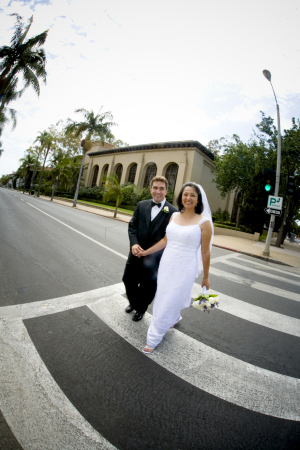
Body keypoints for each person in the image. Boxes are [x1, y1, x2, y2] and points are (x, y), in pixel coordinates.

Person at [137, 182, 213, 353]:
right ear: (181, 196)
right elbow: (165, 241)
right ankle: (173, 317)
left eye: (193, 195)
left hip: (185, 267)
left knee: (170, 299)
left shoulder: (204, 222)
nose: (188, 198)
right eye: (186, 194)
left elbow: (206, 252)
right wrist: (146, 252)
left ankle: (153, 337)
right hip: (167, 264)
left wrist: (206, 277)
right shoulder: (174, 216)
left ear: (198, 199)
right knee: (164, 295)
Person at [122, 176, 177, 321]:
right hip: (135, 254)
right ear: (150, 189)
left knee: (148, 287)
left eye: (161, 188)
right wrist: (134, 244)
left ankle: (140, 309)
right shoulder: (141, 205)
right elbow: (132, 226)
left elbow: (169, 237)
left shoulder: (173, 212)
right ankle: (134, 303)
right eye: (155, 188)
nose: (158, 191)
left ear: (166, 191)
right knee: (128, 280)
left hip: (155, 260)